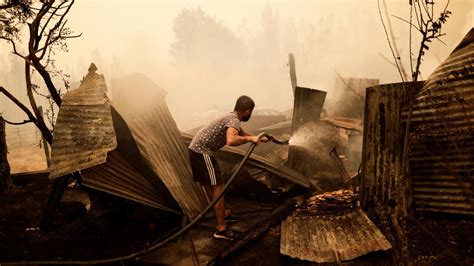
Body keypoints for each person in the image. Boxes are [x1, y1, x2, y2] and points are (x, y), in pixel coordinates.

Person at [188, 95, 268, 240]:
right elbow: (231, 140)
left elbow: (242, 134)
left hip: (195, 150)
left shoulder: (231, 117)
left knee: (209, 185)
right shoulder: (234, 120)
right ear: (247, 111)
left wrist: (258, 138)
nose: (250, 114)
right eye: (251, 111)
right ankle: (221, 229)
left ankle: (222, 214)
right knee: (219, 187)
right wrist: (251, 139)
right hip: (202, 152)